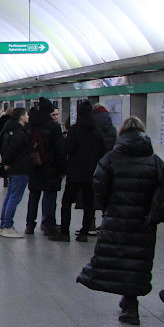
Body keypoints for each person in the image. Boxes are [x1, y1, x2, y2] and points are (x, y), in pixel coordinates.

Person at [76, 117, 164, 325]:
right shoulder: (154, 161)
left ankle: (130, 306)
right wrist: (154, 215)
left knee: (120, 259)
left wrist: (108, 206)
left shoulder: (111, 159)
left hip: (117, 219)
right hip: (143, 222)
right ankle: (130, 304)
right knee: (136, 263)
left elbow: (98, 184)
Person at [56, 99, 106, 242]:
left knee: (67, 202)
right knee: (89, 203)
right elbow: (103, 150)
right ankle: (84, 232)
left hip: (75, 172)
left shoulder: (75, 129)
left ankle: (65, 232)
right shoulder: (96, 131)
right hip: (91, 172)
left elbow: (67, 148)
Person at [23, 98, 65, 236]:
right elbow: (59, 149)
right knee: (50, 195)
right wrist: (62, 169)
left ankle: (30, 225)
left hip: (34, 165)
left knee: (34, 195)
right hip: (50, 166)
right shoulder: (53, 126)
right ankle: (49, 225)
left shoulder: (30, 125)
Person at [0, 106, 33, 237]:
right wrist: (7, 162)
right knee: (14, 197)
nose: (28, 116)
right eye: (26, 114)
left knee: (10, 196)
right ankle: (7, 225)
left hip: (14, 168)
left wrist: (6, 163)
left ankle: (4, 224)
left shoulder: (10, 129)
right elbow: (14, 150)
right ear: (21, 117)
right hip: (20, 168)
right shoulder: (19, 132)